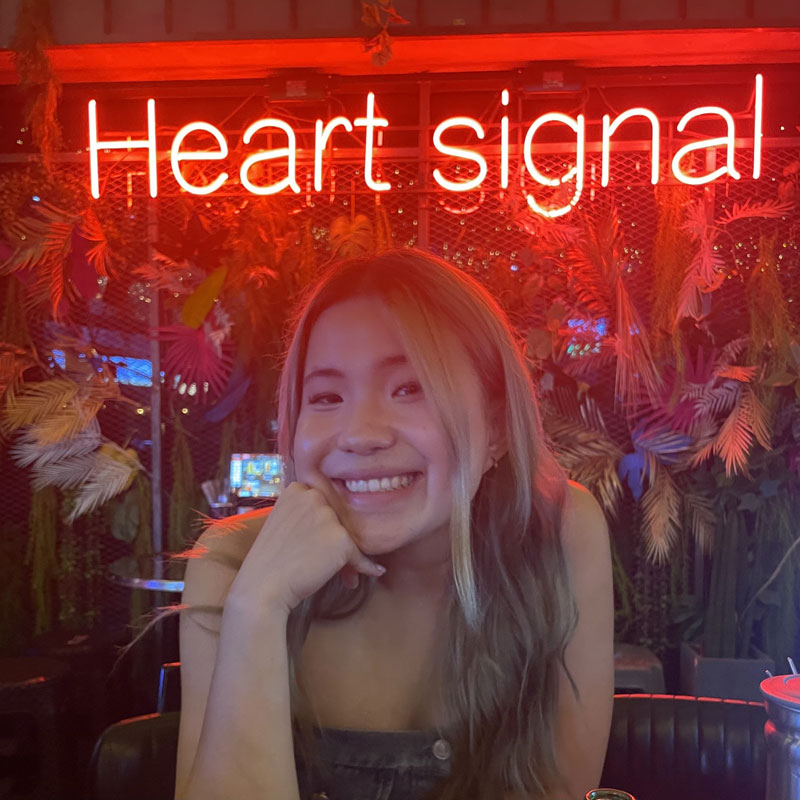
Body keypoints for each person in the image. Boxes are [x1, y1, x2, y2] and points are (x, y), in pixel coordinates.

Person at [174, 249, 614, 800]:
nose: (360, 434)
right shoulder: (233, 565)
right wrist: (258, 608)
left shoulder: (557, 532)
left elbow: (563, 790)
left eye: (410, 388)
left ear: (497, 426)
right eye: (327, 397)